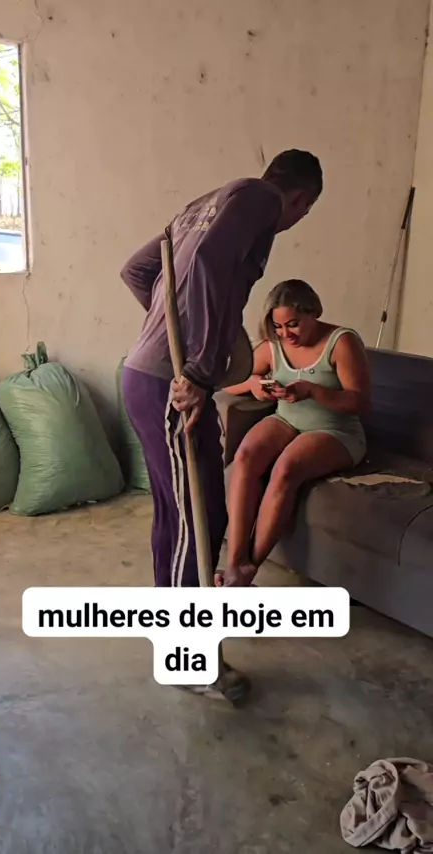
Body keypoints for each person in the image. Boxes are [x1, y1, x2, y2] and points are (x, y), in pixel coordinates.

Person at [120, 151, 323, 698]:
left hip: (149, 376)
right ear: (301, 199)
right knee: (199, 516)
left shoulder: (201, 206)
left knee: (184, 512)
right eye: (302, 213)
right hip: (173, 383)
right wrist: (197, 366)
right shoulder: (259, 198)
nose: (293, 220)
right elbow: (208, 264)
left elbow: (137, 270)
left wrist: (172, 330)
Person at [219, 279, 371, 588]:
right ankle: (235, 561)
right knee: (245, 457)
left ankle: (247, 569)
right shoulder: (273, 346)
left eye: (293, 324)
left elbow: (360, 402)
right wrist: (253, 384)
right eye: (278, 326)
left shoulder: (341, 342)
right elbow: (227, 381)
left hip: (336, 431)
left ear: (313, 312)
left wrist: (313, 391)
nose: (285, 334)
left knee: (286, 468)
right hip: (287, 420)